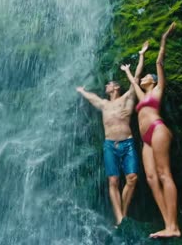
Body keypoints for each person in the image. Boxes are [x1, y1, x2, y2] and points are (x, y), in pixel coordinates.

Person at [75, 45, 149, 227]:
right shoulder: (103, 104)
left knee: (132, 178)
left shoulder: (127, 98)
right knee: (113, 180)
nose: (106, 86)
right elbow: (92, 98)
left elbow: (137, 78)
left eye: (108, 84)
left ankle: (124, 213)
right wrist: (81, 91)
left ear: (115, 86)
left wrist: (141, 55)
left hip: (128, 143)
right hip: (110, 145)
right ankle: (119, 218)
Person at [120, 22, 181, 238]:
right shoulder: (141, 93)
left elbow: (159, 62)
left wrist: (163, 38)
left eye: (147, 76)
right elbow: (133, 79)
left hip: (157, 130)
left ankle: (174, 225)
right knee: (151, 178)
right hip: (146, 139)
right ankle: (168, 225)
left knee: (164, 174)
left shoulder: (158, 90)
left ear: (153, 81)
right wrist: (138, 58)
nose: (144, 77)